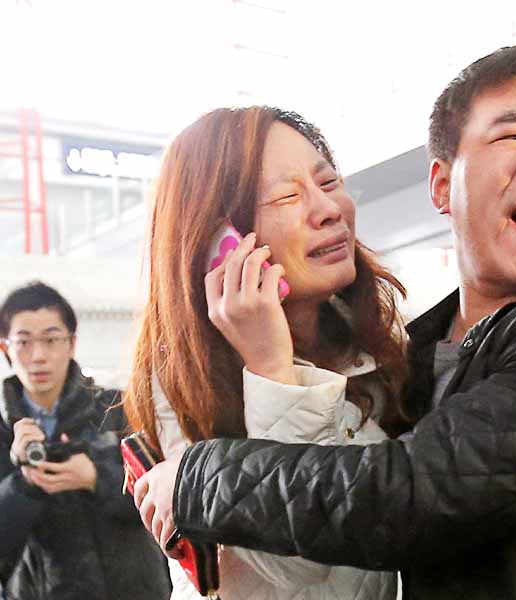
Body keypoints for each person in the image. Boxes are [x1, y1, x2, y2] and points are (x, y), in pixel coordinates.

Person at [134, 43, 516, 599]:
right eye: (515, 134)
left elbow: (401, 499)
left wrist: (198, 475)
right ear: (442, 185)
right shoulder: (413, 352)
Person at [123, 106, 403, 599]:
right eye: (289, 195)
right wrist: (271, 370)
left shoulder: (376, 349)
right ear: (220, 244)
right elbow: (301, 570)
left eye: (329, 181)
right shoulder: (185, 387)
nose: (329, 209)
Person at [0, 281, 170, 600]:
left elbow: (166, 500)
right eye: (23, 342)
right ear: (5, 348)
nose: (38, 356)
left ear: (72, 343)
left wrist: (96, 477)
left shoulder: (118, 408)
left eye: (51, 340)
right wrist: (22, 483)